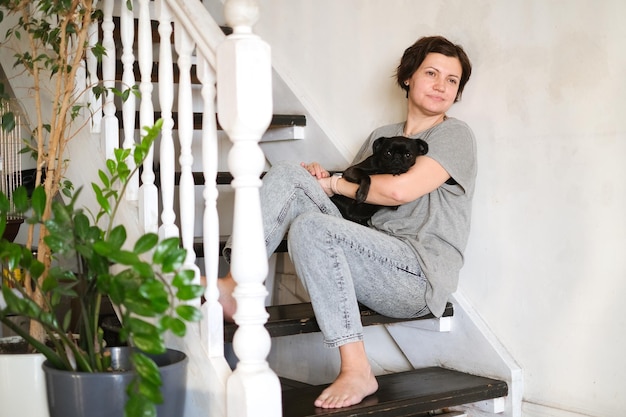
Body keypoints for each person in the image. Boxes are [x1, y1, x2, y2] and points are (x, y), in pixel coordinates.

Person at [218, 35, 476, 409]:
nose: (441, 85)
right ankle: (234, 283)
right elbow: (353, 197)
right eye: (432, 73)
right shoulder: (380, 137)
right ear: (408, 77)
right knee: (290, 174)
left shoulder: (454, 135)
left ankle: (357, 369)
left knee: (311, 227)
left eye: (452, 80)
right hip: (369, 254)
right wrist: (322, 182)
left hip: (416, 274)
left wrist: (334, 183)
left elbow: (399, 191)